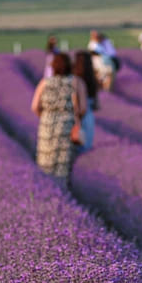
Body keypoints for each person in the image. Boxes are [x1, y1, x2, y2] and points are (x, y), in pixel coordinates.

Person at [31, 53, 87, 184]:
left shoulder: (45, 82)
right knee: (63, 163)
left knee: (45, 162)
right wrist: (76, 119)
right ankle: (63, 192)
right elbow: (83, 108)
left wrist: (45, 117)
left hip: (47, 126)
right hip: (66, 126)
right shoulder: (75, 82)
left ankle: (47, 190)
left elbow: (34, 106)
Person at [73, 50, 98, 154]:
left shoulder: (76, 80)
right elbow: (96, 104)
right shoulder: (92, 79)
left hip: (78, 115)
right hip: (89, 116)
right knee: (86, 147)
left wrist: (77, 119)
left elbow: (80, 106)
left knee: (77, 148)